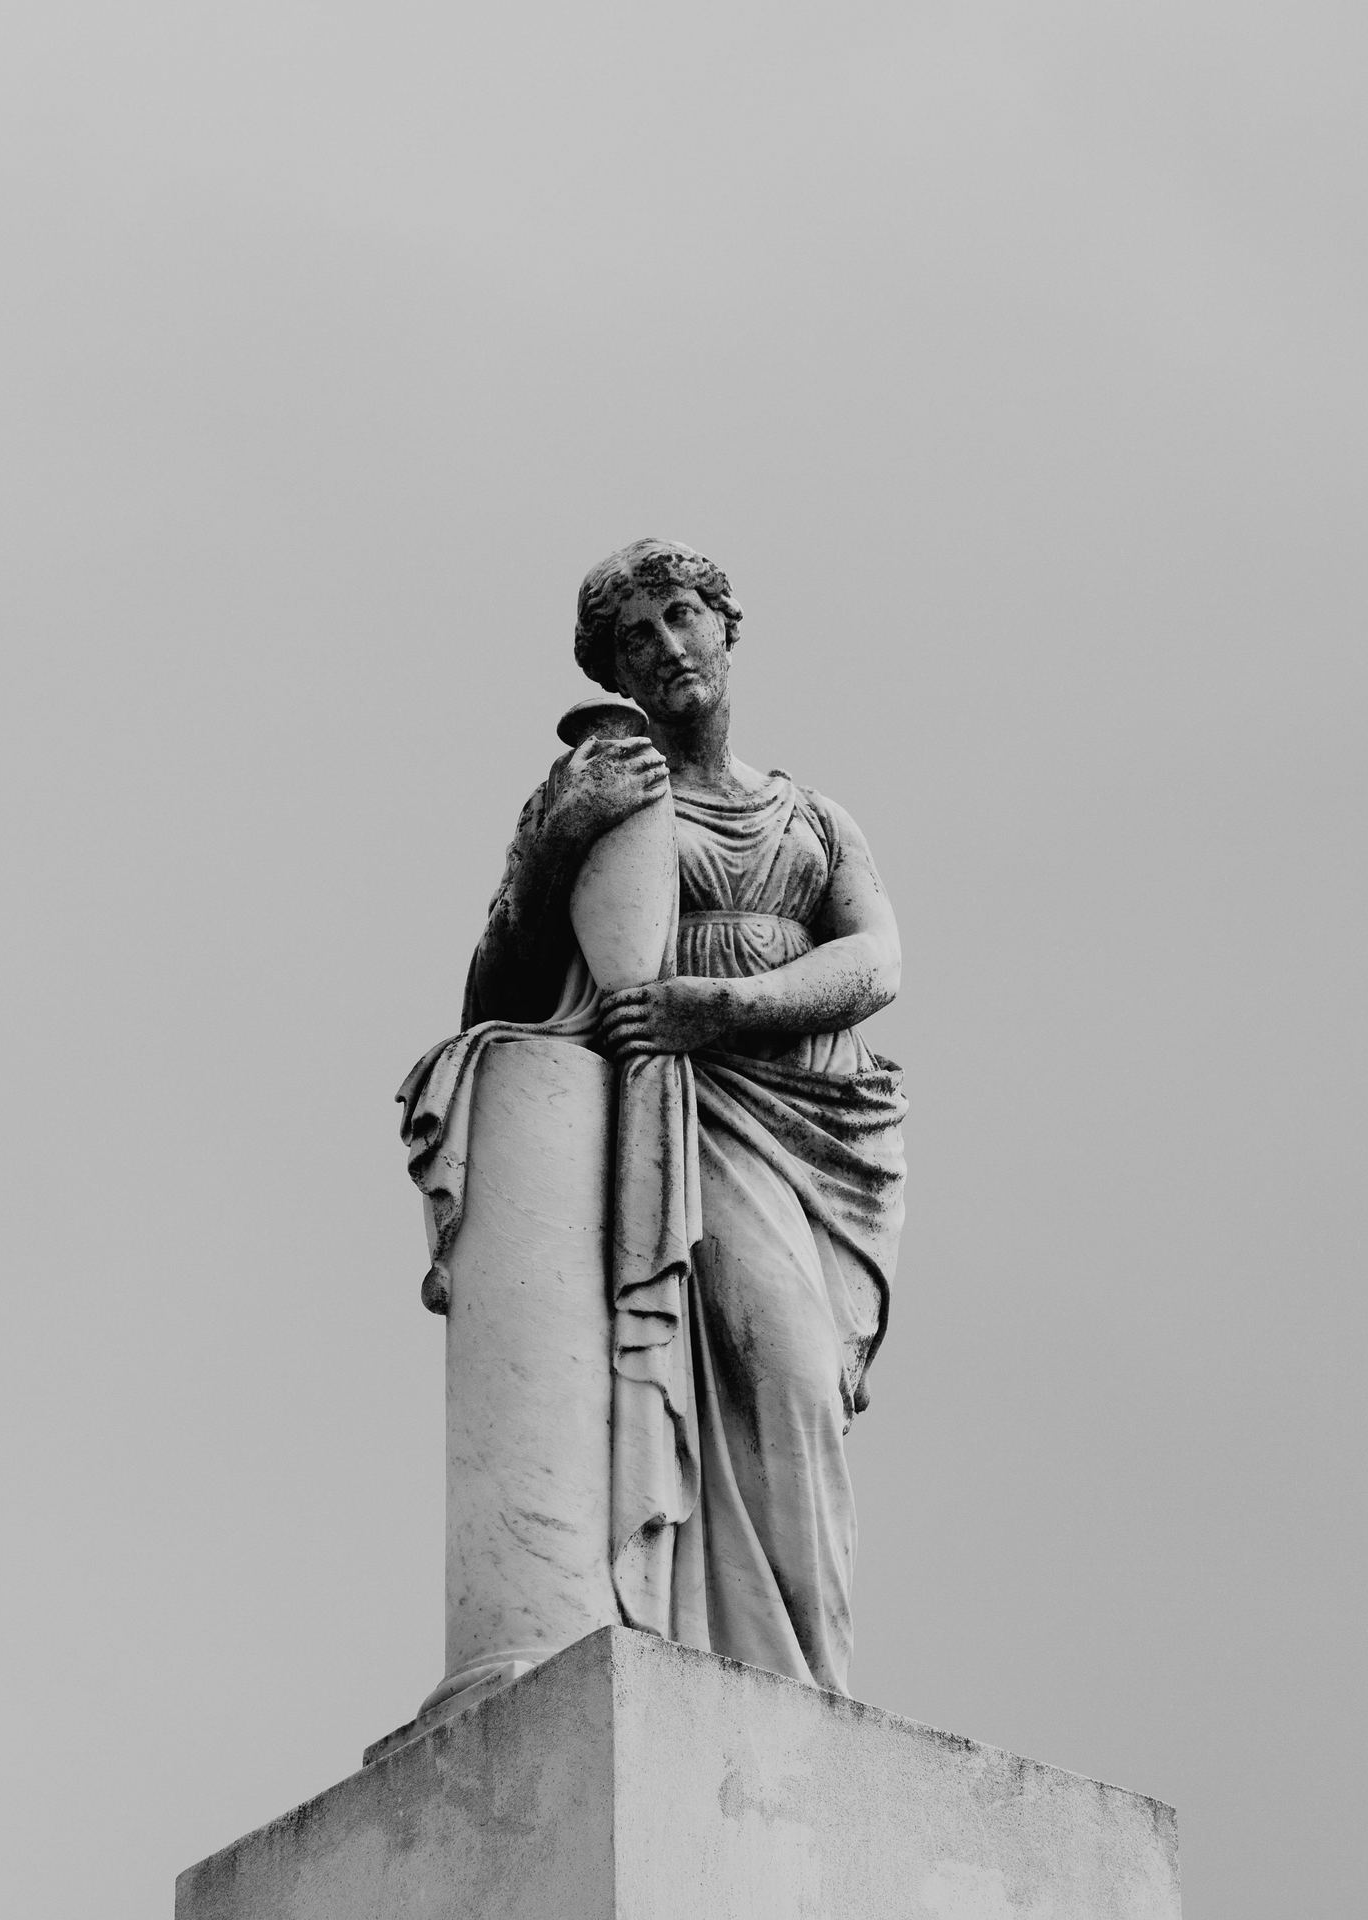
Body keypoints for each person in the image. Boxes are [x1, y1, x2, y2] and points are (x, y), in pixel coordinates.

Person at [461, 537, 907, 1696]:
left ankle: (812, 1680)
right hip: (678, 1117)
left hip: (805, 1119)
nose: (664, 648)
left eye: (679, 618)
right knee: (780, 1370)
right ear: (613, 675)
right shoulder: (604, 799)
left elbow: (877, 960)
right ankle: (777, 1677)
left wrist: (722, 1006)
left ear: (725, 624)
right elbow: (492, 1001)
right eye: (634, 641)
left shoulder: (810, 817)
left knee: (799, 1384)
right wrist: (557, 842)